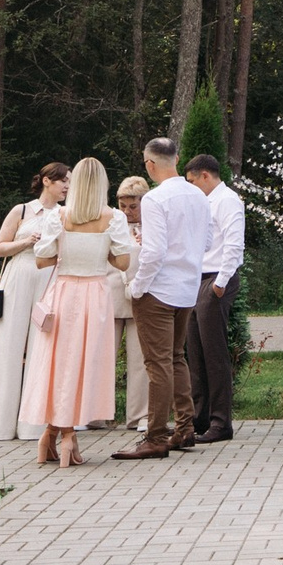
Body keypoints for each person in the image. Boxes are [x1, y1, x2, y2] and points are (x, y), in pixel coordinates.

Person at [19, 157, 135, 466]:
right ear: (102, 184)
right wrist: (103, 254)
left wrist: (67, 251)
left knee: (58, 364)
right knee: (81, 365)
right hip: (94, 295)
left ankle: (50, 434)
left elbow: (42, 259)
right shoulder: (113, 218)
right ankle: (67, 437)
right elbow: (124, 262)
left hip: (64, 292)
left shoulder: (59, 216)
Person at [114, 137, 204, 459]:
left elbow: (153, 251)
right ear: (177, 158)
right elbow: (204, 242)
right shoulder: (199, 195)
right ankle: (185, 427)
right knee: (176, 358)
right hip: (187, 289)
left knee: (158, 364)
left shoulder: (154, 199)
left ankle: (155, 436)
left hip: (158, 291)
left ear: (150, 165)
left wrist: (138, 286)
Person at [0, 163, 69, 441]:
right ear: (46, 181)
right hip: (18, 276)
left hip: (49, 279)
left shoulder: (66, 215)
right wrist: (27, 242)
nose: (67, 186)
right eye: (62, 181)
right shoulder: (22, 210)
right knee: (8, 347)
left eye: (69, 182)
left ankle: (35, 425)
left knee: (42, 348)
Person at [183, 153, 243, 444]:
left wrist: (220, 284)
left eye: (193, 181)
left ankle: (221, 423)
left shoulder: (228, 200)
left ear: (205, 176)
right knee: (195, 351)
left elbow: (233, 243)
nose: (191, 186)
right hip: (198, 278)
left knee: (214, 353)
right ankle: (200, 417)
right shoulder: (203, 202)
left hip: (217, 278)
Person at [109, 177, 149, 430]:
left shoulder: (155, 225)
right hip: (112, 293)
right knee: (103, 357)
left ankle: (140, 416)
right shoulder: (112, 222)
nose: (127, 211)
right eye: (123, 205)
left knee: (140, 360)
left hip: (141, 296)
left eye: (133, 206)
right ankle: (95, 415)